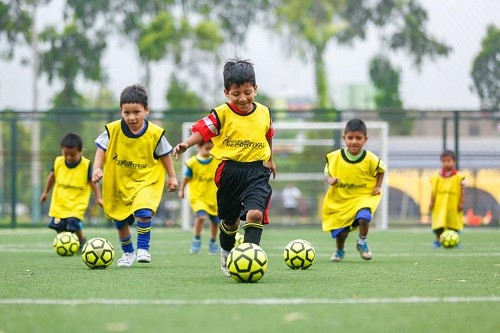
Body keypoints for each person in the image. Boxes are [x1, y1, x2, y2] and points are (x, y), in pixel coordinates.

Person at [173, 59, 276, 277]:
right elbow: (203, 131)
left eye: (247, 92)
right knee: (230, 222)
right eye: (236, 93)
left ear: (255, 89)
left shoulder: (264, 112)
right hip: (229, 171)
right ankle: (226, 252)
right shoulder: (221, 114)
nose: (242, 98)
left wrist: (271, 158)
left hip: (257, 171)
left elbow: (268, 135)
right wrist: (186, 144)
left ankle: (251, 256)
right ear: (226, 93)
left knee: (255, 214)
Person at [91, 84, 178, 267]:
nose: (131, 117)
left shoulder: (155, 133)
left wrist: (172, 176)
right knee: (120, 221)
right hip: (119, 182)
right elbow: (101, 148)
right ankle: (128, 253)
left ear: (146, 110)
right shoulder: (112, 130)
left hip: (146, 180)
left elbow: (165, 155)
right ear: (121, 111)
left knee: (144, 212)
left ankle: (143, 249)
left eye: (136, 112)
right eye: (127, 112)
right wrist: (97, 168)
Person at [322, 118, 386, 262]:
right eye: (350, 138)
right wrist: (330, 180)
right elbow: (327, 171)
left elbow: (381, 169)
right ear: (344, 138)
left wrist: (378, 186)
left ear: (365, 139)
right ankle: (339, 250)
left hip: (363, 197)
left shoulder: (370, 159)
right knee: (341, 233)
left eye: (358, 138)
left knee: (364, 217)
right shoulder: (336, 157)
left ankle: (362, 242)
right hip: (341, 200)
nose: (354, 141)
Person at [40, 133, 103, 251]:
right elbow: (51, 177)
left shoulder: (86, 165)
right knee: (59, 225)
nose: (68, 157)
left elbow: (93, 183)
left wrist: (98, 198)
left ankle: (81, 240)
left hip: (77, 203)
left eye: (72, 155)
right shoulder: (58, 162)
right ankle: (65, 244)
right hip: (60, 202)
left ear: (80, 152)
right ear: (61, 150)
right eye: (66, 154)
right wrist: (45, 192)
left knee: (73, 222)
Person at [178, 140, 221, 254]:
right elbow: (186, 178)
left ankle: (213, 241)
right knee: (201, 217)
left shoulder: (217, 161)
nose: (210, 151)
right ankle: (196, 239)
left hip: (213, 197)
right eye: (207, 148)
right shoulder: (192, 163)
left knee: (215, 221)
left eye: (212, 148)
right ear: (199, 147)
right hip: (198, 197)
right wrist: (181, 190)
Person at [429, 150, 465, 248]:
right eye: (444, 161)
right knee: (438, 224)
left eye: (448, 161)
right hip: (439, 204)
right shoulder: (436, 177)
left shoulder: (459, 177)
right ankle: (437, 240)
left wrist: (461, 202)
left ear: (454, 162)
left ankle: (455, 240)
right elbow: (433, 191)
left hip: (453, 203)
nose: (446, 163)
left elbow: (462, 190)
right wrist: (431, 202)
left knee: (453, 223)